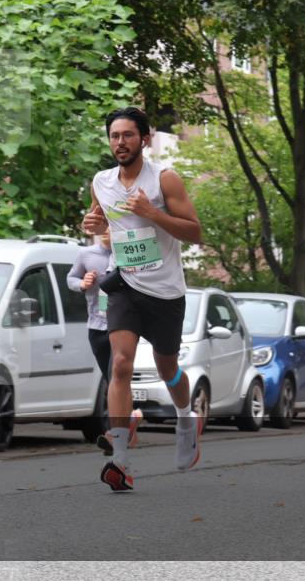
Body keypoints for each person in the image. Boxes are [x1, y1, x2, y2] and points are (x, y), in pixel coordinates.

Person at [82, 106, 203, 492]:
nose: (120, 142)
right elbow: (104, 222)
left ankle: (185, 419)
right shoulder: (101, 182)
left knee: (168, 368)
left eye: (128, 135)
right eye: (115, 136)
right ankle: (120, 458)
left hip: (165, 291)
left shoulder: (164, 179)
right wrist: (94, 224)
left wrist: (153, 213)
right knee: (120, 364)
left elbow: (195, 232)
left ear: (145, 139)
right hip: (125, 284)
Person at [66, 230, 116, 415]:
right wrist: (83, 283)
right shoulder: (86, 253)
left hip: (122, 325)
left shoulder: (127, 253)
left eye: (110, 225)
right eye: (103, 225)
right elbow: (71, 278)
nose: (106, 230)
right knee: (110, 378)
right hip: (97, 326)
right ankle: (129, 416)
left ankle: (120, 424)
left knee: (116, 375)